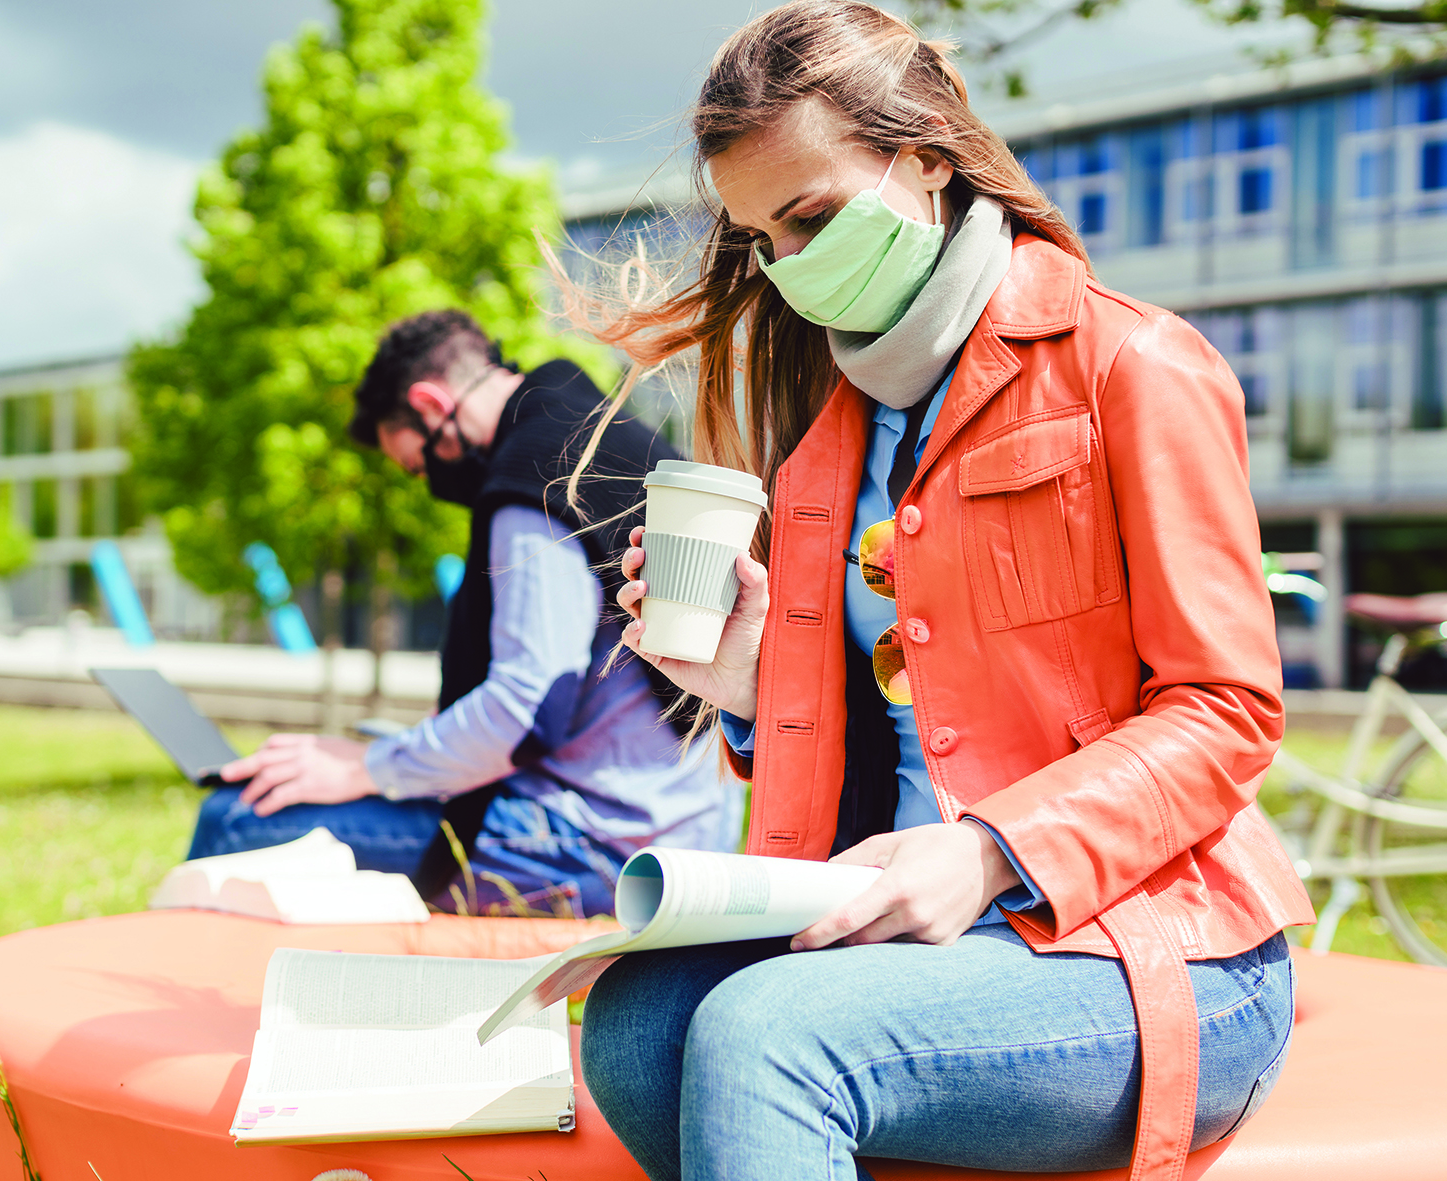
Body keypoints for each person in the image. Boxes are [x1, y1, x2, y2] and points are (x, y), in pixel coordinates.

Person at [576, 4, 1315, 1179]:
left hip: (1146, 943)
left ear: (924, 157)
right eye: (763, 236)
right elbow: (873, 753)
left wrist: (985, 850)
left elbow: (1224, 713)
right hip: (915, 934)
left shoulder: (1135, 364)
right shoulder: (824, 440)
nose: (787, 265)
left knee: (766, 1037)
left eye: (811, 215)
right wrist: (750, 691)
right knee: (635, 1024)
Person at [186, 310, 743, 916]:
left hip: (597, 844)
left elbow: (525, 710)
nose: (431, 480)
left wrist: (366, 768)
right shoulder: (602, 428)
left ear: (430, 405)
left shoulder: (532, 483)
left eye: (418, 465)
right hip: (683, 822)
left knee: (235, 819)